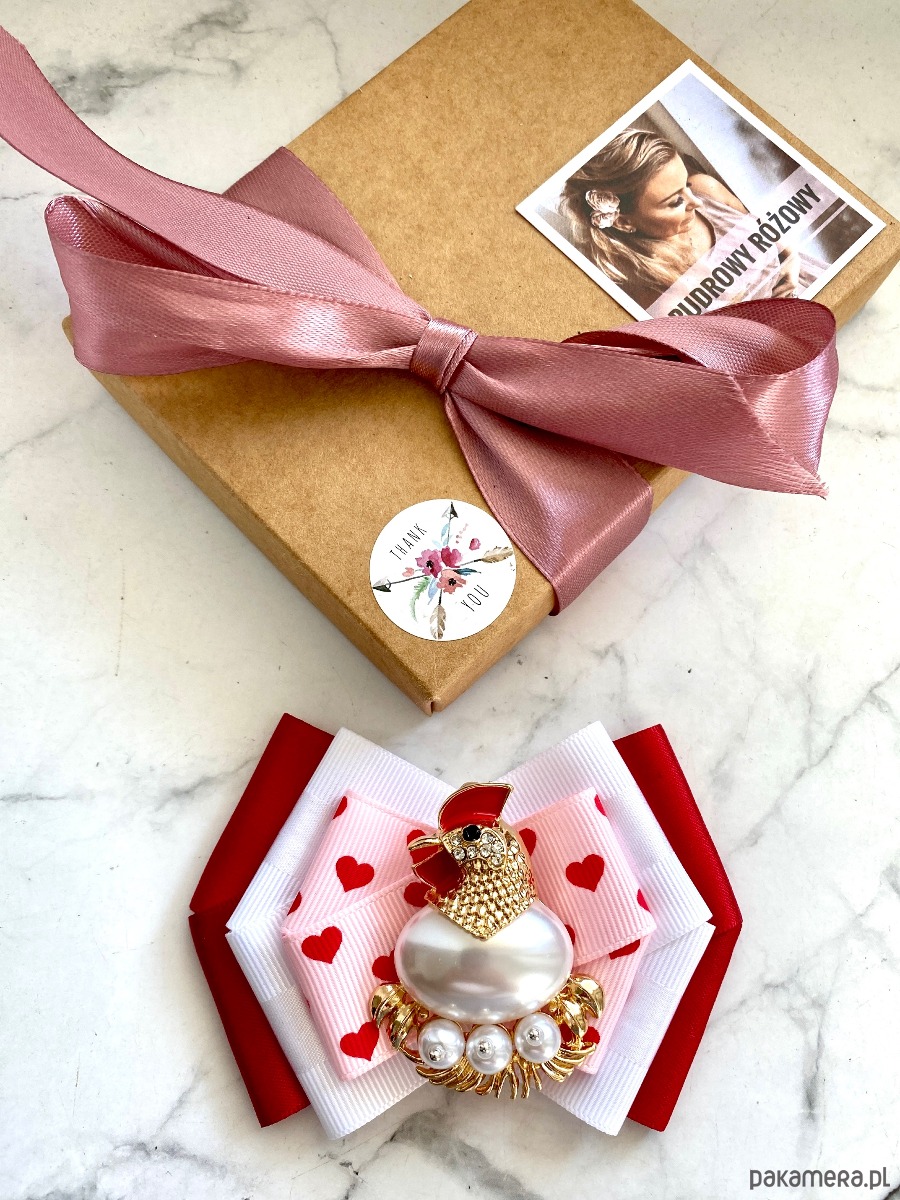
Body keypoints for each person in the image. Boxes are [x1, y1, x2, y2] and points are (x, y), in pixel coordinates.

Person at [558, 128, 813, 311]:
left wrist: (791, 260)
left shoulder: (705, 189)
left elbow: (770, 231)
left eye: (686, 186)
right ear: (624, 222)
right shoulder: (652, 292)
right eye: (675, 201)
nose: (697, 202)